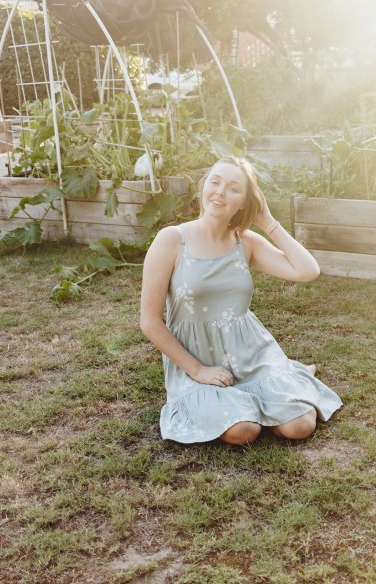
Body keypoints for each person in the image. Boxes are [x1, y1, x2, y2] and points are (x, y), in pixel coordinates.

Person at [140, 156, 342, 445]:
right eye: (215, 182)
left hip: (251, 353)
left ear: (245, 202)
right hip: (198, 358)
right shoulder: (172, 240)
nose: (220, 192)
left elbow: (308, 271)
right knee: (243, 431)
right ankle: (259, 399)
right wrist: (198, 370)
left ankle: (277, 381)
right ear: (203, 187)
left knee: (300, 426)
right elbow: (149, 321)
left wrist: (267, 221)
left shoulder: (244, 242)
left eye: (233, 187)